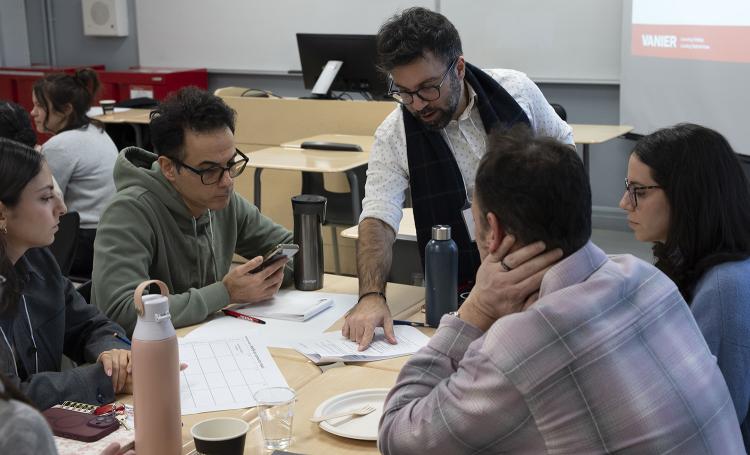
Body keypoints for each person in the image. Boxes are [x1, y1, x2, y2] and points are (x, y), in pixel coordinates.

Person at [378, 126, 744, 453]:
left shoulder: (520, 345)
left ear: (495, 232)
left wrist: (474, 311)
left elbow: (397, 435)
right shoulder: (648, 279)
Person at [345, 7, 574, 349]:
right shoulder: (394, 134)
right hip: (463, 292)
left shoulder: (516, 92)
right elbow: (378, 216)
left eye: (428, 88)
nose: (417, 104)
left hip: (544, 269)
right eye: (404, 92)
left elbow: (564, 152)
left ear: (459, 68)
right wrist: (371, 295)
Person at [92, 87, 294, 334]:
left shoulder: (222, 201)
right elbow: (121, 311)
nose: (227, 181)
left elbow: (290, 247)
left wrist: (270, 276)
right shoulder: (128, 211)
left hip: (209, 339)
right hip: (143, 351)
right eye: (209, 170)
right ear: (168, 168)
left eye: (231, 164)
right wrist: (225, 293)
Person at [619, 123, 750, 448]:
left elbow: (718, 420)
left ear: (687, 195)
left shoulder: (724, 286)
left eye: (640, 191)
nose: (624, 203)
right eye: (628, 188)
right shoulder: (687, 259)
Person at [0, 138, 131, 411]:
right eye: (45, 197)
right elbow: (10, 398)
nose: (62, 208)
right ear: (2, 213)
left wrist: (114, 355)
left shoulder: (37, 260)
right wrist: (105, 379)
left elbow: (89, 325)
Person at [31, 69, 118, 279]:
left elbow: (44, 199)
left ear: (66, 109)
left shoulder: (60, 145)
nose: (33, 112)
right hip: (110, 234)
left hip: (83, 241)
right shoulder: (96, 130)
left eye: (40, 106)